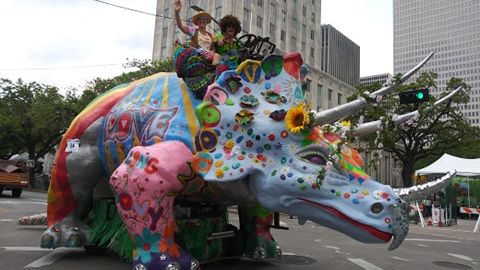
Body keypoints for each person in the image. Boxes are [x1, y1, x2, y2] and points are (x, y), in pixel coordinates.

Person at [174, 0, 220, 64]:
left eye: (204, 19)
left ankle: (214, 71)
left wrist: (211, 52)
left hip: (208, 58)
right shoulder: (193, 31)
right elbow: (180, 26)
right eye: (200, 19)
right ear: (197, 22)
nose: (202, 21)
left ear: (206, 22)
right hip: (197, 56)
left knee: (217, 56)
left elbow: (213, 47)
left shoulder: (210, 35)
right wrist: (176, 13)